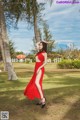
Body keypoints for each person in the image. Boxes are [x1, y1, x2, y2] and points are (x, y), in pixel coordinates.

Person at [24, 41, 48, 108]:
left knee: (37, 83)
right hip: (36, 67)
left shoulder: (44, 53)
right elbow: (36, 44)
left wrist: (39, 68)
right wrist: (40, 42)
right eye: (39, 45)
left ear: (44, 46)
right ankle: (41, 99)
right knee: (37, 84)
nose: (39, 46)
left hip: (40, 68)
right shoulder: (39, 52)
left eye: (41, 45)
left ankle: (43, 99)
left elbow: (46, 62)